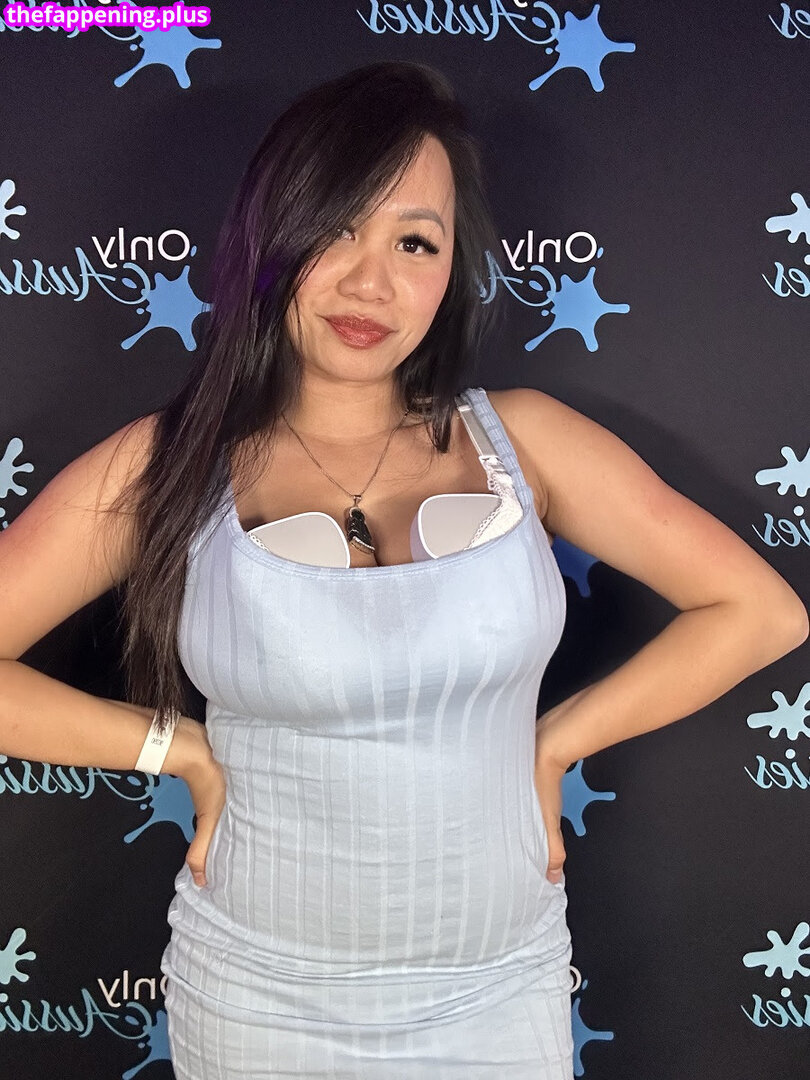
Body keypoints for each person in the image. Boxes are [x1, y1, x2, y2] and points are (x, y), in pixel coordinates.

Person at [0, 60, 806, 1079]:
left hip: (499, 990)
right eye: (337, 229)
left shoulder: (528, 442)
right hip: (258, 999)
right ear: (272, 238)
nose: (370, 282)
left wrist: (557, 743)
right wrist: (179, 751)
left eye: (414, 242)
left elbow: (760, 611)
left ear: (452, 268)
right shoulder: (171, 463)